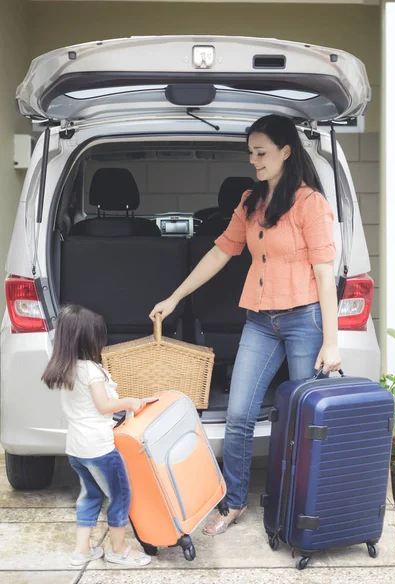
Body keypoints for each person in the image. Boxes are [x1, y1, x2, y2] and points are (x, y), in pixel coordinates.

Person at [149, 114, 342, 536]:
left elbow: (325, 274)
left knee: (301, 420)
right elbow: (221, 252)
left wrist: (332, 340)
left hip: (305, 320)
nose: (253, 160)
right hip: (259, 320)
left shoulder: (310, 204)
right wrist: (175, 296)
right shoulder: (250, 202)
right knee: (238, 414)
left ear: (285, 151)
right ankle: (234, 502)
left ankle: (299, 504)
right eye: (250, 153)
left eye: (261, 153)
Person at [42, 304, 152, 567]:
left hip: (76, 450)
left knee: (90, 495)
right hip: (100, 450)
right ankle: (119, 549)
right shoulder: (91, 371)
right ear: (87, 340)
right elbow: (104, 406)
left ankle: (82, 551)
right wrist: (130, 402)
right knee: (120, 495)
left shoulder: (64, 368)